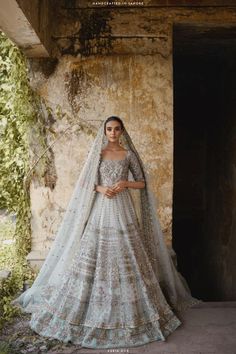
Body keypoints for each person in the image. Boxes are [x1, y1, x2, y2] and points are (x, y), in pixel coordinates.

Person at [11, 116, 203, 349]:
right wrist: (101, 188)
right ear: (104, 131)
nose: (112, 132)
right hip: (101, 209)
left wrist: (125, 184)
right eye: (109, 129)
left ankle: (134, 310)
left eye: (116, 129)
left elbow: (142, 183)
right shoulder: (98, 154)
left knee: (128, 254)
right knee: (95, 252)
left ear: (122, 131)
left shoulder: (128, 154)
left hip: (123, 208)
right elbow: (85, 183)